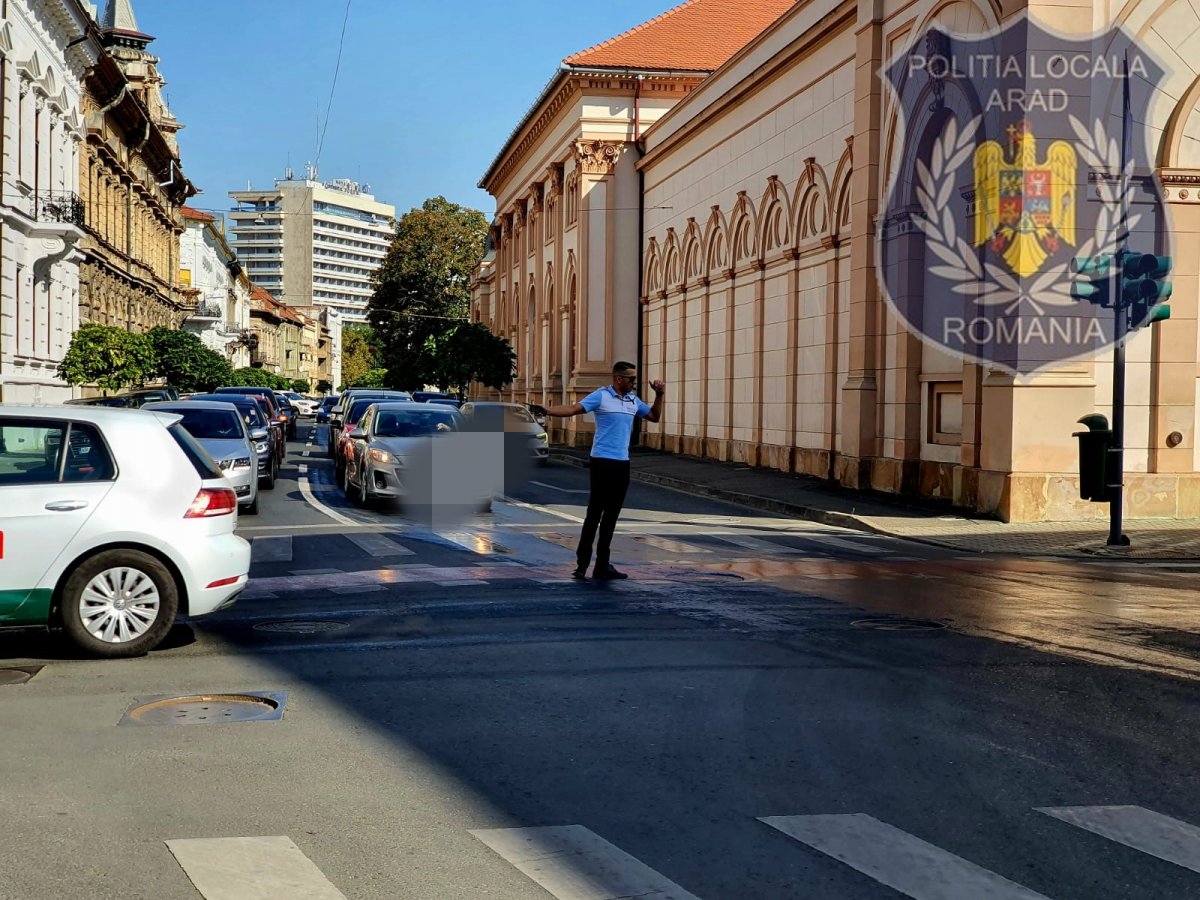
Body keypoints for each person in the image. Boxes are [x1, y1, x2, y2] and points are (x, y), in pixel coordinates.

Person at [530, 361, 664, 580]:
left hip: (622, 463)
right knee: (594, 514)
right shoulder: (601, 396)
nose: (634, 383)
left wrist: (659, 395)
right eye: (631, 379)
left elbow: (654, 417)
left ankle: (603, 565)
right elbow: (573, 409)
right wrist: (547, 410)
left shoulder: (632, 400)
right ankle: (582, 564)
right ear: (618, 379)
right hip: (602, 461)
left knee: (611, 516)